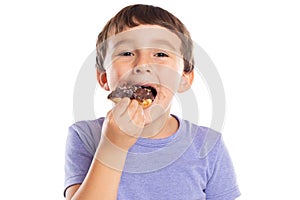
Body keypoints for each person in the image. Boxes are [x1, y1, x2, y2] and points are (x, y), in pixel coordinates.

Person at [64, 4, 241, 200]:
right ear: (104, 78)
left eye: (161, 54)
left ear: (184, 78)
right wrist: (113, 145)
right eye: (126, 53)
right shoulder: (85, 136)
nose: (142, 65)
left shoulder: (208, 145)